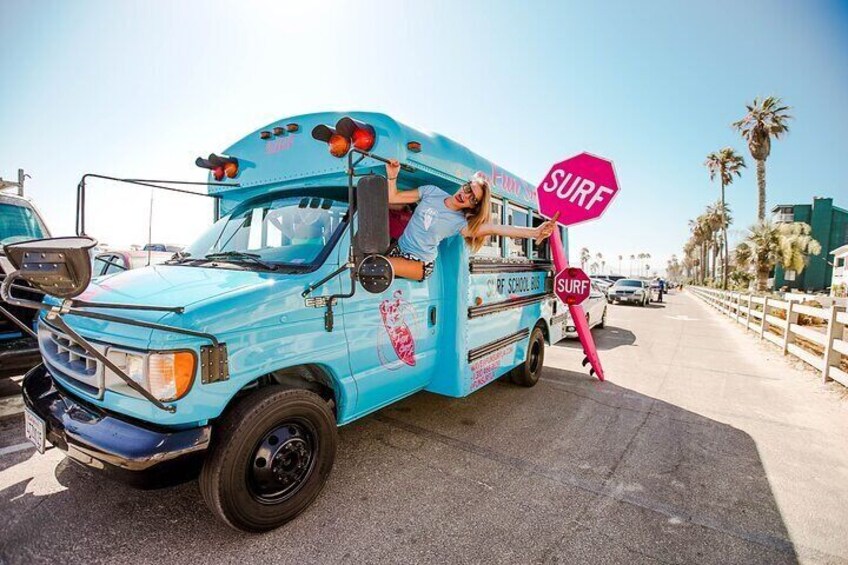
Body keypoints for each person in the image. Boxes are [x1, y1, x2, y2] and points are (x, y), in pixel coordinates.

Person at [384, 159, 557, 280]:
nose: (466, 196)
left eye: (473, 199)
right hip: (398, 249)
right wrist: (392, 176)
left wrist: (534, 232)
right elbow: (393, 197)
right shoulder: (431, 192)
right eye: (468, 188)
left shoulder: (461, 224)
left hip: (419, 263)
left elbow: (497, 229)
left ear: (473, 206)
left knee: (379, 266)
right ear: (464, 185)